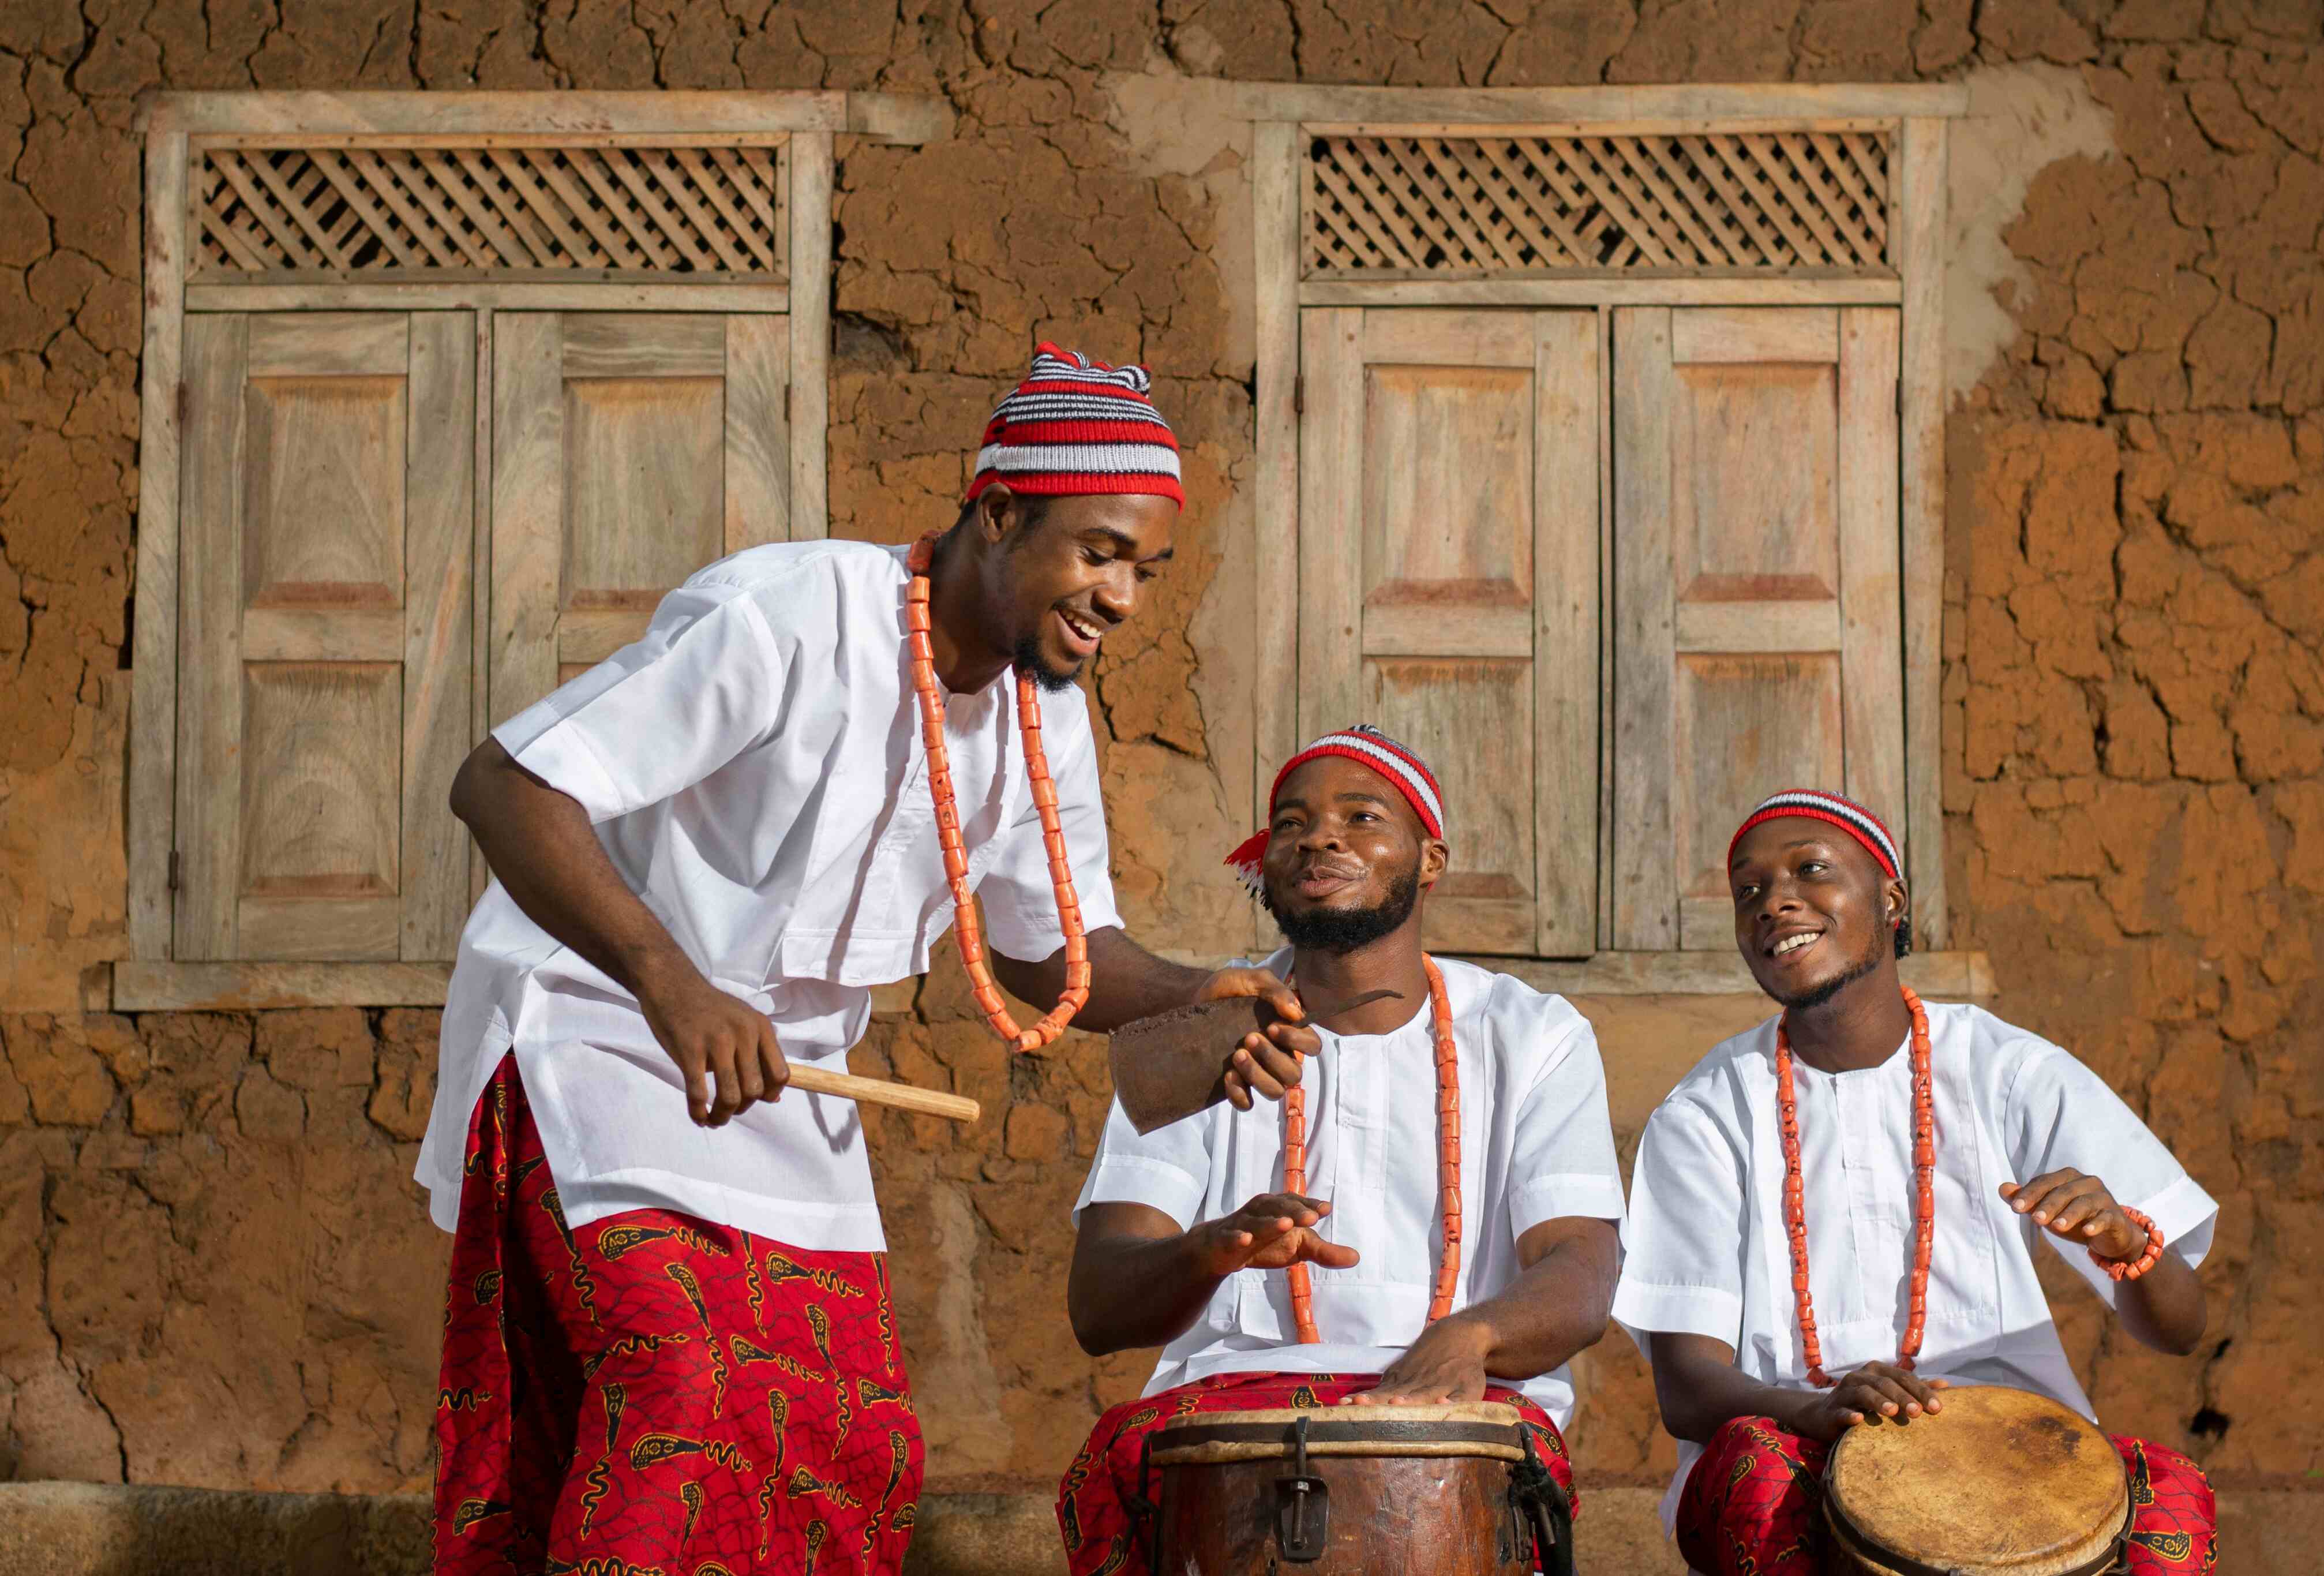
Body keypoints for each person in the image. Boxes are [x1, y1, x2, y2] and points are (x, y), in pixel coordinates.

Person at [421, 345, 1309, 1576]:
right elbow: (506, 782)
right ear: (998, 512)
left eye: (1145, 570)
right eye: (1099, 551)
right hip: (607, 1033)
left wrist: (1199, 993)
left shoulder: (1041, 707)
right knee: (685, 1392)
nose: (1123, 597)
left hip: (792, 1083)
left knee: (855, 1438)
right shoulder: (789, 614)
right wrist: (672, 983)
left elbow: (1062, 951)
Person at [1057, 725, 1626, 1575]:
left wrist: (1470, 1337)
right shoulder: (1198, 1033)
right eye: (1291, 823)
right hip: (1230, 1421)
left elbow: (1582, 1272)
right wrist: (1209, 1252)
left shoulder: (1531, 1034)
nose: (1318, 837)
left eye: (1361, 817)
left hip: (1466, 1411)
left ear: (1431, 861)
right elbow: (1099, 1306)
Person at [1613, 788, 2220, 1575]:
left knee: (2172, 1498)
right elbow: (1687, 1391)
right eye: (1749, 892)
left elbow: (2179, 1326)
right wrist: (1818, 1411)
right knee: (1754, 1478)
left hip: (2013, 1454)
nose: (1775, 903)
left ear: (1892, 900)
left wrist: (2129, 1244)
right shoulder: (1705, 1113)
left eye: (1811, 870)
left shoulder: (2009, 1073)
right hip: (1799, 1443)